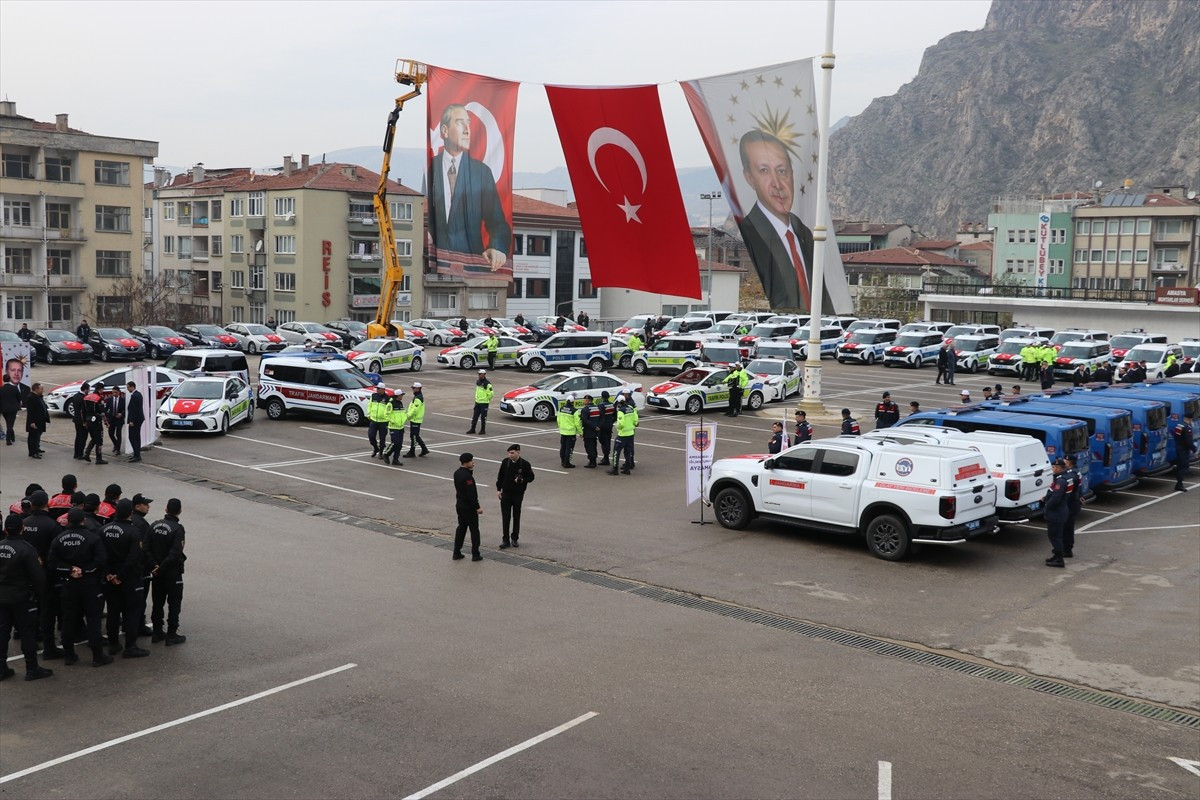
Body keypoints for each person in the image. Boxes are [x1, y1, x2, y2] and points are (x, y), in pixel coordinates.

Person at [735, 130, 815, 311]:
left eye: (781, 171)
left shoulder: (805, 233)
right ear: (750, 178)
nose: (777, 183)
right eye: (764, 171)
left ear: (792, 175)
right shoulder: (751, 231)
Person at [428, 104, 511, 271]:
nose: (467, 130)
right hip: (435, 266)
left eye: (468, 123)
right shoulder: (430, 168)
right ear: (444, 131)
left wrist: (497, 247)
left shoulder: (481, 173)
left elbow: (498, 223)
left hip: (472, 268)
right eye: (460, 123)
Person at [49, 506, 112, 666]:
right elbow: (101, 560)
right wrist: (85, 571)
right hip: (89, 585)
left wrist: (69, 570)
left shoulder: (59, 538)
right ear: (83, 520)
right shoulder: (93, 538)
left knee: (69, 619)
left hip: (69, 585)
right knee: (93, 619)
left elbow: (52, 563)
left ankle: (69, 655)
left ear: (68, 521)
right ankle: (97, 656)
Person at [0, 513, 53, 682]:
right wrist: (38, 594)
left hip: (3, 598)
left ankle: (1, 668)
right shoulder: (27, 549)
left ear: (5, 529)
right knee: (27, 633)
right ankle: (32, 668)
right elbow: (38, 577)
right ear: (22, 529)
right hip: (22, 598)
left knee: (2, 633)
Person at [100, 499, 150, 659]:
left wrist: (109, 573)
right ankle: (130, 646)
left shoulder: (103, 530)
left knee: (113, 611)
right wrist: (120, 576)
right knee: (131, 613)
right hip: (128, 579)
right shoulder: (134, 532)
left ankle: (114, 643)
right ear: (130, 513)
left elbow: (100, 555)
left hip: (109, 578)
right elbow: (134, 557)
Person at [149, 498, 187, 645]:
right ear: (180, 511)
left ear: (166, 509)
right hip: (171, 573)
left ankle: (157, 632)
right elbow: (175, 553)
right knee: (174, 603)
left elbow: (146, 547)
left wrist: (154, 565)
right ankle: (172, 634)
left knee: (157, 602)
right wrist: (162, 567)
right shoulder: (178, 529)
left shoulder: (154, 525)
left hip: (156, 572)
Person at [496, 444, 535, 549]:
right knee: (506, 517)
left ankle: (515, 538)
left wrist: (522, 480)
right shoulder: (505, 462)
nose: (510, 455)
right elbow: (500, 476)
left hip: (518, 494)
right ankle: (505, 540)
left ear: (518, 452)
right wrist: (498, 489)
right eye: (509, 453)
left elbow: (531, 477)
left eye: (512, 453)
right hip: (506, 494)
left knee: (516, 516)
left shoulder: (525, 464)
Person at [453, 453, 483, 561]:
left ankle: (456, 552)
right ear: (466, 463)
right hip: (469, 508)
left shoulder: (457, 473)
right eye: (471, 461)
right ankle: (475, 554)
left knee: (461, 528)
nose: (473, 462)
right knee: (474, 530)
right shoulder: (467, 477)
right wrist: (477, 507)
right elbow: (471, 494)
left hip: (460, 505)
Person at [1043, 459, 1069, 568]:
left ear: (1058, 468)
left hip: (1056, 513)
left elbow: (1056, 497)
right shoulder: (1059, 479)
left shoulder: (1061, 481)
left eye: (1053, 467)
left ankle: (1059, 559)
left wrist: (1047, 506)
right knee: (1054, 535)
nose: (1052, 469)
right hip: (1059, 511)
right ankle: (1056, 555)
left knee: (1055, 536)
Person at [609, 396, 638, 475]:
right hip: (631, 433)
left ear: (618, 402)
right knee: (628, 451)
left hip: (622, 434)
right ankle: (627, 469)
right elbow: (636, 420)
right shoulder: (631, 408)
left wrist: (616, 426)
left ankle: (615, 469)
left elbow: (621, 424)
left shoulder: (621, 411)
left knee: (616, 451)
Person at [1062, 454, 1083, 559]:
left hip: (1071, 504)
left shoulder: (1072, 474)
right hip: (1073, 503)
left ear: (1069, 462)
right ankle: (1066, 548)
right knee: (1067, 527)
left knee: (1067, 528)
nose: (1063, 461)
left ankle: (1067, 549)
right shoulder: (1075, 471)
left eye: (1065, 460)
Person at [82, 388, 108, 464]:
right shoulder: (99, 398)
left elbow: (83, 411)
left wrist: (84, 421)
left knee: (94, 438)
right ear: (100, 390)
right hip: (97, 422)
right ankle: (99, 458)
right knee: (99, 440)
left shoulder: (86, 397)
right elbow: (103, 412)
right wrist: (106, 422)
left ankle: (86, 453)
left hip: (88, 421)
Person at [1171, 412, 1195, 492]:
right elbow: (1189, 441)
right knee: (1184, 466)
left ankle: (1179, 483)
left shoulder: (1179, 425)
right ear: (1190, 419)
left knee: (1180, 466)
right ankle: (1179, 483)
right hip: (1184, 450)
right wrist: (1194, 449)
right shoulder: (1187, 427)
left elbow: (1175, 436)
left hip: (1178, 447)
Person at [404, 382, 429, 458]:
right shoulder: (417, 396)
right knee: (415, 436)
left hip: (415, 420)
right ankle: (424, 449)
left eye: (413, 388)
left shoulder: (418, 398)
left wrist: (407, 416)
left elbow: (415, 410)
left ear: (418, 389)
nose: (412, 389)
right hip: (415, 419)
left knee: (414, 436)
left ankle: (412, 451)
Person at [24, 382, 49, 459]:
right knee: (33, 437)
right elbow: (31, 411)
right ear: (36, 389)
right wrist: (32, 422)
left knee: (37, 436)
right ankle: (33, 452)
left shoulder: (39, 396)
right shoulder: (31, 397)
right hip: (35, 421)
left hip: (40, 421)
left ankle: (36, 449)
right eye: (41, 389)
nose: (42, 390)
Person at [366, 383, 391, 458]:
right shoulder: (373, 396)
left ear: (383, 389)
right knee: (371, 436)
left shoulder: (388, 398)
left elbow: (389, 410)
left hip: (383, 421)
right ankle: (376, 448)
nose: (377, 390)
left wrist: (387, 418)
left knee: (382, 438)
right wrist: (369, 414)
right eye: (377, 388)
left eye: (378, 388)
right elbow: (369, 405)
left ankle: (381, 452)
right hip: (374, 420)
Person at [557, 397, 582, 468]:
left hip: (563, 432)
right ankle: (567, 463)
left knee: (563, 447)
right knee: (569, 448)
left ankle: (562, 461)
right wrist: (581, 432)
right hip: (571, 433)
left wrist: (560, 427)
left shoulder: (561, 409)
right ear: (573, 402)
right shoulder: (574, 411)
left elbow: (558, 420)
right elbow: (577, 423)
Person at [577, 394, 601, 468]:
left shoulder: (585, 409)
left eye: (585, 400)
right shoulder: (597, 408)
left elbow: (585, 421)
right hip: (595, 431)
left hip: (588, 431)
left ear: (588, 401)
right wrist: (598, 427)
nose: (584, 401)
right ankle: (594, 460)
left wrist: (594, 427)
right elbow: (601, 418)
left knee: (589, 446)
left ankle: (592, 462)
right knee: (594, 446)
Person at [467, 370, 494, 435]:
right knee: (475, 416)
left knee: (483, 417)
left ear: (484, 374)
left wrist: (487, 399)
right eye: (478, 374)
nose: (479, 375)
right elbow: (477, 391)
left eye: (480, 374)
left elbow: (491, 393)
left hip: (484, 403)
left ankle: (483, 429)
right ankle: (473, 428)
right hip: (477, 402)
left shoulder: (487, 383)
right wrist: (476, 399)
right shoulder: (478, 382)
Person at [385, 393, 408, 466]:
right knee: (395, 442)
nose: (402, 396)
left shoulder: (400, 403)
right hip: (393, 427)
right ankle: (386, 454)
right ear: (397, 396)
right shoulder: (391, 404)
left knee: (399, 444)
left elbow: (403, 413)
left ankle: (395, 459)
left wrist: (404, 419)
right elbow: (386, 414)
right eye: (401, 395)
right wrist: (393, 421)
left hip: (400, 427)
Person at [125, 381, 145, 463]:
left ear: (132, 387)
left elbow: (133, 410)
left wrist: (131, 421)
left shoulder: (134, 396)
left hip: (135, 420)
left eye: (128, 387)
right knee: (136, 437)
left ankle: (137, 455)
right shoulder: (138, 394)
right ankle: (137, 453)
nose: (127, 389)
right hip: (139, 419)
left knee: (132, 437)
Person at [1, 373, 22, 445]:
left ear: (3, 380)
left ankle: (12, 437)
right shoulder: (14, 388)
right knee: (10, 424)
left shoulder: (1, 389)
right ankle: (8, 439)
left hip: (3, 409)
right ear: (10, 379)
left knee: (8, 423)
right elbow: (19, 398)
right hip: (13, 409)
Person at [105, 385, 125, 455]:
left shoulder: (123, 400)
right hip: (112, 419)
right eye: (113, 392)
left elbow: (125, 410)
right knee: (110, 433)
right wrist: (107, 418)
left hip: (119, 420)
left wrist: (121, 414)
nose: (114, 394)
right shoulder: (110, 399)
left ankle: (118, 449)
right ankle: (116, 444)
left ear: (119, 392)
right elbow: (106, 409)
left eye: (116, 392)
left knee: (118, 434)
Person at [596, 390, 615, 466]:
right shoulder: (612, 404)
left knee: (603, 441)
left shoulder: (601, 405)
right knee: (607, 440)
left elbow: (599, 416)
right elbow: (614, 415)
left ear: (602, 397)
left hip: (603, 426)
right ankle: (606, 456)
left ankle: (606, 458)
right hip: (609, 425)